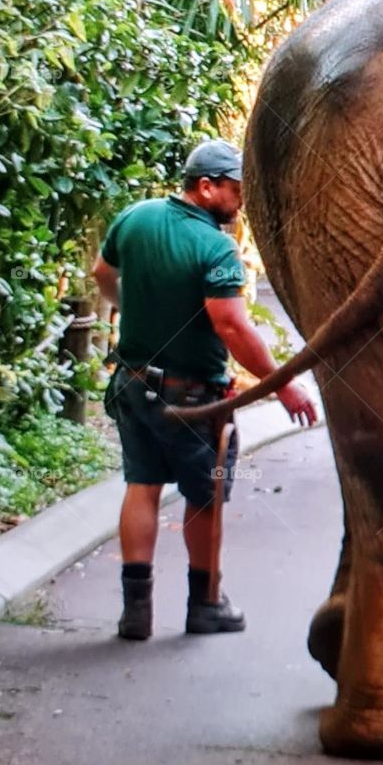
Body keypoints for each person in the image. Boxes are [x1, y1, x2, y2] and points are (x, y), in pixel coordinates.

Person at [93, 139, 317, 641]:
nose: (241, 200)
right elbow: (231, 326)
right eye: (236, 189)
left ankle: (136, 613)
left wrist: (132, 306)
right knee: (204, 496)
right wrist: (284, 386)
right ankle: (205, 604)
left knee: (142, 485)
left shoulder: (136, 217)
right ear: (207, 186)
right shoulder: (215, 247)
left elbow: (102, 275)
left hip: (133, 383)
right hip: (192, 399)